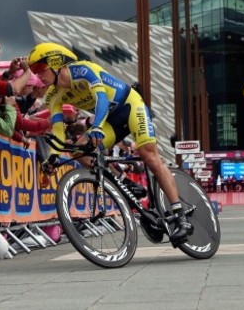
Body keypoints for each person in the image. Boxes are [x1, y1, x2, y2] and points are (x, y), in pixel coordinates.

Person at [27, 42, 192, 246]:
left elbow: (101, 99)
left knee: (148, 155)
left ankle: (179, 215)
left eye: (38, 69)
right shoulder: (53, 96)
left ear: (55, 62)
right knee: (83, 152)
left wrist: (96, 126)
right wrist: (53, 156)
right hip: (110, 122)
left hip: (130, 107)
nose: (37, 76)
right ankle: (124, 183)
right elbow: (58, 129)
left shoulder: (83, 70)